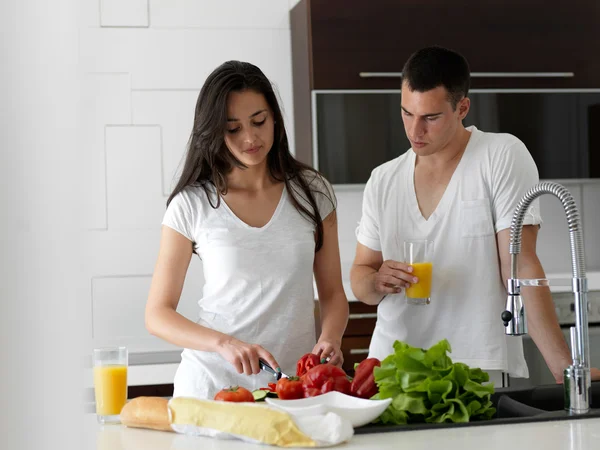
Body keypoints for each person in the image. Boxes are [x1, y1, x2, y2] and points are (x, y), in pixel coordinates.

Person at [350, 46, 600, 386]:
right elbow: (361, 277)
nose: (415, 131)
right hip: (393, 365)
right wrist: (377, 280)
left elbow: (520, 265)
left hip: (474, 365)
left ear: (462, 107)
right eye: (407, 113)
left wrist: (564, 369)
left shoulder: (500, 156)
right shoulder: (383, 179)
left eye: (431, 118)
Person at [145, 61, 349, 399]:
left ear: (274, 118)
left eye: (259, 121)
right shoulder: (192, 203)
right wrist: (223, 343)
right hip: (212, 385)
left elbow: (332, 294)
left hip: (292, 387)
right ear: (213, 131)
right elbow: (157, 314)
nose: (251, 138)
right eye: (233, 128)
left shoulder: (313, 192)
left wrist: (330, 338)